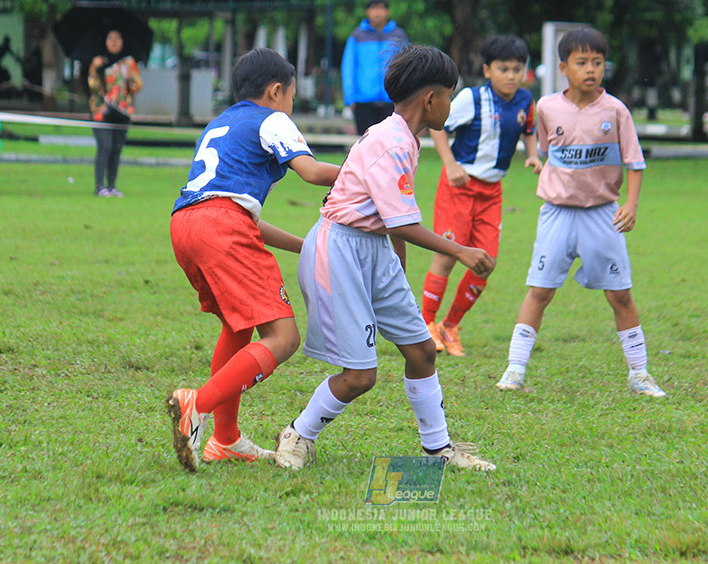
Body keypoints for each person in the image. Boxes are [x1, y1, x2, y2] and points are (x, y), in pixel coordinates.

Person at [274, 45, 497, 472]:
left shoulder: (404, 138)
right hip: (340, 250)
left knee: (421, 352)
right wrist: (461, 251)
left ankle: (438, 449)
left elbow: (390, 220)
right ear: (430, 100)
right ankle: (298, 433)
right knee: (360, 376)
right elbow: (400, 224)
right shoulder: (389, 143)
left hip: (373, 249)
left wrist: (395, 272)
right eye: (449, 96)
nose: (450, 105)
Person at [166, 47, 341, 473]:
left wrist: (307, 245)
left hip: (186, 225)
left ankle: (224, 440)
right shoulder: (272, 119)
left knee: (237, 324)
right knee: (283, 338)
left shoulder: (221, 122)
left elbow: (237, 212)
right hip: (222, 226)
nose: (292, 107)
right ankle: (198, 405)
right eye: (293, 97)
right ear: (276, 91)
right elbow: (312, 172)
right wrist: (365, 172)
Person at [495, 27, 666, 398]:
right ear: (563, 68)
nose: (591, 69)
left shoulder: (616, 110)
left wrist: (631, 205)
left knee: (620, 294)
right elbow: (544, 149)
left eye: (598, 62)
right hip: (557, 213)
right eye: (582, 62)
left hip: (602, 214)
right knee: (539, 290)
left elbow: (635, 163)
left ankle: (640, 373)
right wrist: (542, 168)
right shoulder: (546, 107)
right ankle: (515, 368)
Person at [421, 35, 541, 357]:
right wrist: (450, 164)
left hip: (492, 193)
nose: (512, 75)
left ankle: (451, 325)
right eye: (504, 69)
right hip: (459, 187)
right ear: (488, 70)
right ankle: (426, 324)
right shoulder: (471, 99)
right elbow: (437, 126)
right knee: (447, 254)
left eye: (518, 69)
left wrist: (533, 155)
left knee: (486, 263)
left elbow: (528, 130)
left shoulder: (525, 101)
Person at [340, 0, 407, 135]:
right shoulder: (357, 36)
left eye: (381, 8)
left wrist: (404, 96)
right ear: (367, 11)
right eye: (373, 8)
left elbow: (407, 67)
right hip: (363, 100)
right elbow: (348, 67)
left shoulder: (398, 35)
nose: (377, 12)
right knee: (366, 144)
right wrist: (350, 98)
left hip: (391, 99)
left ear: (387, 12)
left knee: (390, 142)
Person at [87, 30, 142, 197]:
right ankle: (99, 186)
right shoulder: (98, 61)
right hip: (101, 111)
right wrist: (94, 69)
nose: (114, 42)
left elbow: (136, 86)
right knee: (105, 146)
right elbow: (92, 86)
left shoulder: (129, 62)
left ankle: (111, 185)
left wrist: (130, 76)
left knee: (117, 148)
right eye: (110, 38)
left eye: (117, 38)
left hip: (122, 111)